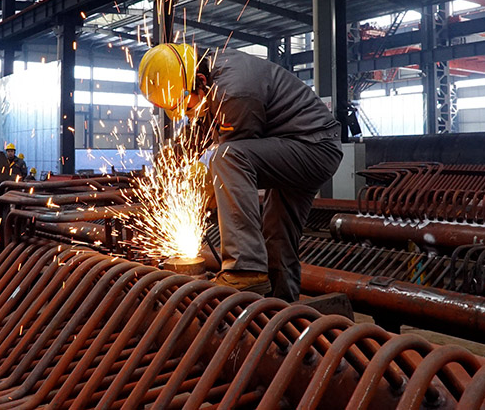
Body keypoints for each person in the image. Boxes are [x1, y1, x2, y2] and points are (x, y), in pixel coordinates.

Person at [138, 43, 343, 301]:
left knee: (227, 157)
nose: (186, 112)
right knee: (277, 237)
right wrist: (169, 165)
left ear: (200, 80)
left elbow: (231, 156)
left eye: (185, 104)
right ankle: (281, 307)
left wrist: (204, 186)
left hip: (314, 148)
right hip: (294, 146)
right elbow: (199, 132)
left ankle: (245, 269)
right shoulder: (209, 83)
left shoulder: (234, 91)